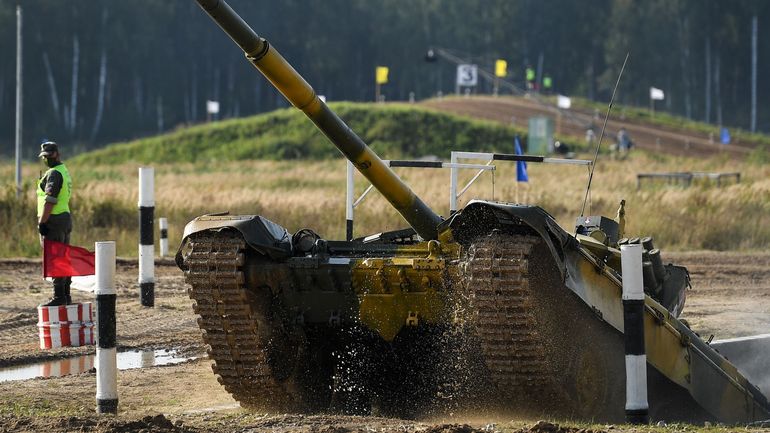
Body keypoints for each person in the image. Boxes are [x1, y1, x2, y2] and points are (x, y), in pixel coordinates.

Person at [37, 141, 73, 306]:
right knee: (63, 256)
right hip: (64, 217)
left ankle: (59, 297)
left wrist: (42, 222)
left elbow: (50, 200)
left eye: (50, 155)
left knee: (56, 257)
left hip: (54, 219)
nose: (47, 158)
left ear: (57, 153)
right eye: (45, 156)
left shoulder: (53, 174)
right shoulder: (63, 170)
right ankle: (65, 295)